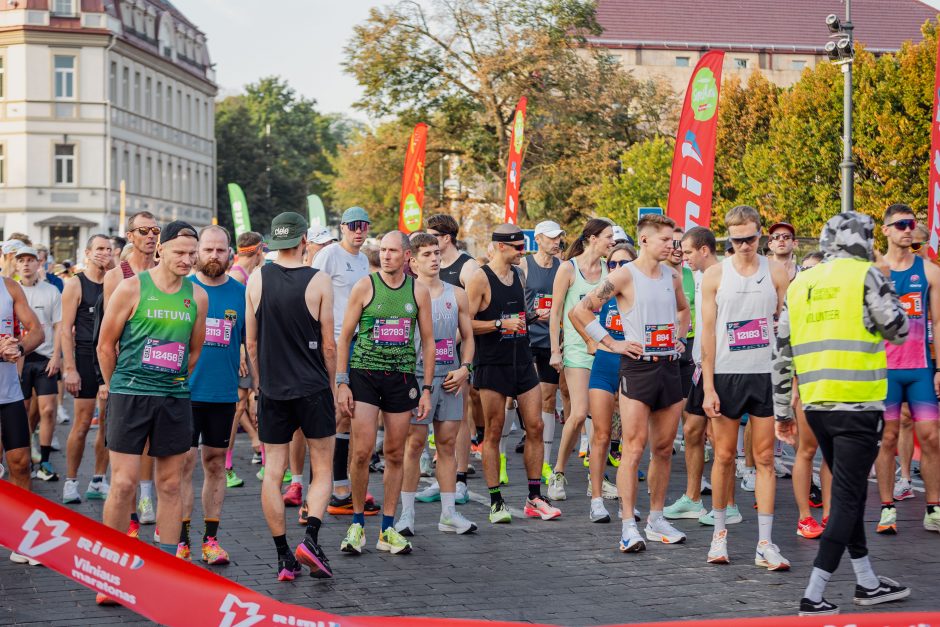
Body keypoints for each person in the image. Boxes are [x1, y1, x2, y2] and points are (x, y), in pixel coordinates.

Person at [774, 211, 911, 616]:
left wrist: (783, 409)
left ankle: (867, 582)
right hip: (857, 404)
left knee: (847, 493)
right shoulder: (868, 274)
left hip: (815, 405)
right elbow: (897, 328)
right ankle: (813, 594)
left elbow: (781, 353)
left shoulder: (802, 282)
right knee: (849, 500)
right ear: (866, 238)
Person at [96, 221, 207, 604]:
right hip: (129, 396)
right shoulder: (131, 288)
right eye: (180, 252)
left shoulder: (197, 296)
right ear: (160, 249)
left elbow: (193, 352)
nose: (187, 260)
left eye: (192, 254)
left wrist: (170, 381)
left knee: (171, 485)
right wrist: (119, 386)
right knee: (124, 484)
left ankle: (164, 574)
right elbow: (105, 346)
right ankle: (108, 575)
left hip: (174, 397)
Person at [569, 213, 690, 553]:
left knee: (664, 448)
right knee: (634, 448)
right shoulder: (624, 275)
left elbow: (684, 312)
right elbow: (580, 311)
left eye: (673, 239)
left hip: (669, 366)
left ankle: (656, 518)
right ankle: (627, 526)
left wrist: (679, 338)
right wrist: (611, 343)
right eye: (666, 239)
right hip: (637, 367)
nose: (672, 245)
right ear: (646, 241)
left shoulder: (673, 275)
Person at [246, 212, 337, 581]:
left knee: (274, 473)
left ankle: (284, 555)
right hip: (312, 386)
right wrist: (332, 385)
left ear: (273, 242)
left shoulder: (256, 278)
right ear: (304, 241)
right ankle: (310, 540)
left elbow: (251, 342)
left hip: (272, 388)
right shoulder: (319, 280)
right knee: (324, 467)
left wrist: (258, 383)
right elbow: (329, 345)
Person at [700, 205, 790, 568]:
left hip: (765, 373)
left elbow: (784, 328)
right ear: (729, 239)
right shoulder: (715, 276)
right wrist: (708, 387)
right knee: (724, 457)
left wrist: (788, 380)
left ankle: (764, 543)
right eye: (737, 240)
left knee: (765, 458)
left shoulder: (777, 271)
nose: (744, 245)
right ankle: (719, 535)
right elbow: (706, 334)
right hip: (726, 373)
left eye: (750, 238)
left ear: (760, 235)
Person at [336, 231, 434, 556]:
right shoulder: (366, 285)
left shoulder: (417, 290)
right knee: (362, 452)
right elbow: (345, 336)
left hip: (402, 379)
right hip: (364, 375)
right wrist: (341, 381)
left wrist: (427, 389)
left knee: (395, 453)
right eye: (383, 250)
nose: (387, 255)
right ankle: (357, 524)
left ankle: (388, 528)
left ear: (407, 256)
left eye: (393, 251)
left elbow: (429, 342)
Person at [467, 224, 561, 524]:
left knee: (535, 425)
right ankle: (496, 501)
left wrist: (533, 316)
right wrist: (497, 325)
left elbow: (517, 315)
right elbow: (465, 324)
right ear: (501, 247)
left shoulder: (520, 275)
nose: (525, 252)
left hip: (522, 358)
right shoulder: (480, 278)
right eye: (520, 247)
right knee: (494, 431)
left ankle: (534, 497)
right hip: (492, 363)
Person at [396, 233, 477, 536]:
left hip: (451, 378)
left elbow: (468, 339)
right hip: (416, 379)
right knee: (414, 445)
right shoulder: (405, 294)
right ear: (413, 262)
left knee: (447, 446)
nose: (434, 258)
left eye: (436, 253)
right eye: (426, 255)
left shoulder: (456, 294)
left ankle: (448, 514)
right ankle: (406, 515)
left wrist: (465, 368)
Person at [175, 226, 246, 565]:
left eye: (221, 250)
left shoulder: (241, 293)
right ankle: (182, 540)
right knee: (184, 465)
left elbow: (251, 342)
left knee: (216, 463)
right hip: (184, 392)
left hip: (222, 393)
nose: (214, 256)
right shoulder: (182, 290)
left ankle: (211, 540)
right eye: (208, 250)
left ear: (230, 252)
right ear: (196, 253)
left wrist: (253, 385)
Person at [874, 204, 940, 535]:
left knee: (930, 437)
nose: (907, 229)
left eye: (911, 224)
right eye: (900, 224)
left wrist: (939, 367)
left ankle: (934, 507)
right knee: (887, 438)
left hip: (919, 369)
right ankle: (887, 507)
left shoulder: (929, 272)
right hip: (884, 370)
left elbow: (938, 322)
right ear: (885, 230)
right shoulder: (874, 271)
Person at [665, 227, 734, 524]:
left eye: (689, 252)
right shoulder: (693, 277)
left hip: (719, 368)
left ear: (704, 250)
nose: (685, 256)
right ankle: (693, 499)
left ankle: (729, 505)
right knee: (692, 431)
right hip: (698, 366)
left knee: (720, 439)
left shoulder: (723, 276)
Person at [312, 207, 377, 516]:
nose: (359, 231)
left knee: (348, 413)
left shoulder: (363, 260)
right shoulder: (329, 256)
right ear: (342, 227)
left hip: (358, 342)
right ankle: (330, 484)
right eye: (353, 226)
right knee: (334, 412)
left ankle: (344, 482)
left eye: (364, 226)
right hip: (334, 343)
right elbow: (312, 294)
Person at [546, 219, 612, 501]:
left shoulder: (609, 270)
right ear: (592, 238)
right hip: (576, 349)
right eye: (609, 237)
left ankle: (595, 479)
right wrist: (554, 350)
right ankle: (558, 472)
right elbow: (556, 312)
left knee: (603, 421)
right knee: (578, 413)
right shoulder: (568, 268)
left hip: (605, 349)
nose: (612, 241)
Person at [102, 210, 160, 527]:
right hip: (128, 370)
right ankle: (129, 506)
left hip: (162, 371)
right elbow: (109, 335)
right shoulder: (116, 276)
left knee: (154, 441)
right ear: (131, 235)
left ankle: (147, 494)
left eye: (155, 230)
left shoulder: (168, 271)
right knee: (126, 445)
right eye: (144, 230)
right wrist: (109, 381)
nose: (151, 236)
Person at [579, 243, 636, 523]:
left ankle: (628, 501)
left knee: (629, 440)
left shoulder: (640, 289)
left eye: (622, 264)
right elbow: (576, 312)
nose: (615, 269)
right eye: (611, 264)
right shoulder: (604, 292)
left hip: (632, 366)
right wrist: (596, 341)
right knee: (600, 435)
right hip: (604, 364)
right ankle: (597, 500)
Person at [425, 213, 481, 495]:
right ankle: (442, 476)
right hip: (430, 353)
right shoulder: (430, 266)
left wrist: (444, 346)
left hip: (455, 351)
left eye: (432, 237)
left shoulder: (467, 268)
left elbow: (466, 320)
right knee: (434, 418)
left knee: (459, 416)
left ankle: (460, 477)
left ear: (446, 238)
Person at [61, 235, 113, 504]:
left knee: (107, 423)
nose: (104, 253)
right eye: (99, 249)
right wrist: (69, 368)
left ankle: (98, 479)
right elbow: (64, 329)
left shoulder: (116, 282)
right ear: (88, 252)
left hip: (108, 358)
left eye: (108, 249)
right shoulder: (76, 284)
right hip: (83, 356)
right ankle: (70, 481)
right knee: (81, 424)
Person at [520, 220, 564, 484]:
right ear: (537, 239)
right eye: (550, 238)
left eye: (558, 237)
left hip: (550, 340)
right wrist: (533, 315)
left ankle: (545, 462)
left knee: (548, 397)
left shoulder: (562, 267)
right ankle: (504, 458)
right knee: (516, 400)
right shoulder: (525, 265)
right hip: (526, 338)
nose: (556, 241)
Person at [15, 247, 62, 481]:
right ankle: (21, 456)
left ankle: (44, 462)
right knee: (20, 411)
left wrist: (57, 357)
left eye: (30, 260)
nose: (26, 264)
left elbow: (59, 326)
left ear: (38, 264)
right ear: (15, 265)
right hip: (18, 359)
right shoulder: (11, 290)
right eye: (21, 261)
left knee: (48, 409)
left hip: (45, 358)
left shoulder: (51, 291)